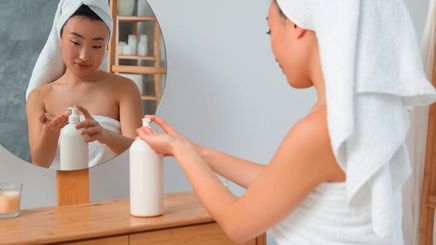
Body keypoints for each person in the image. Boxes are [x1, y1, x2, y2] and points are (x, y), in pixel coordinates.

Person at [137, 0, 436, 244]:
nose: (271, 49)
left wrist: (181, 152)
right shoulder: (360, 120)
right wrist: (197, 151)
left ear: (296, 25)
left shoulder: (320, 130)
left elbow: (237, 224)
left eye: (270, 31)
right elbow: (281, 182)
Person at [26, 1, 143, 169]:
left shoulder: (124, 89)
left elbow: (139, 152)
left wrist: (104, 135)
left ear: (106, 46)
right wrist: (51, 132)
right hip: (61, 191)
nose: (84, 56)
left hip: (113, 191)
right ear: (60, 38)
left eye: (96, 46)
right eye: (75, 42)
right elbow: (40, 162)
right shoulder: (40, 96)